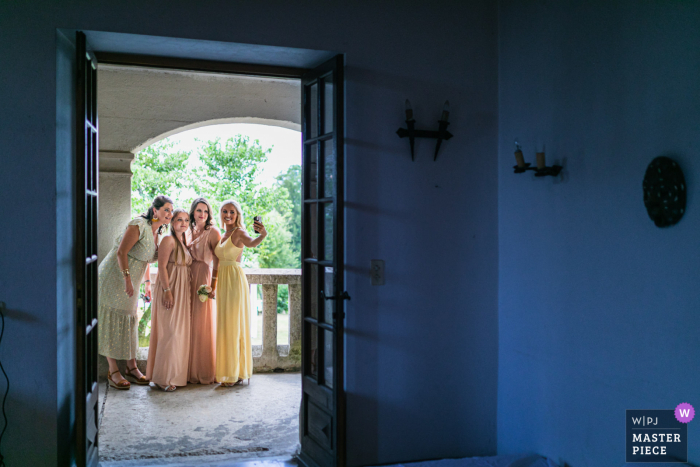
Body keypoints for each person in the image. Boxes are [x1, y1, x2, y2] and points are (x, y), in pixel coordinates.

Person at [98, 195, 174, 390]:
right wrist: (127, 279)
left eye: (171, 211)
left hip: (132, 280)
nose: (169, 214)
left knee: (130, 319)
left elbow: (144, 259)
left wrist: (147, 282)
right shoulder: (139, 224)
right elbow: (121, 252)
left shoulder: (158, 232)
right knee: (112, 319)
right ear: (154, 210)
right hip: (114, 278)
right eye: (166, 209)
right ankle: (113, 370)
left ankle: (131, 368)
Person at [214, 200, 266, 387]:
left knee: (234, 325)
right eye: (225, 211)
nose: (228, 215)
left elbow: (252, 244)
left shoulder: (239, 232)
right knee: (225, 325)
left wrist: (263, 234)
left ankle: (234, 373)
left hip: (234, 280)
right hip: (223, 282)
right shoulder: (222, 234)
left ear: (237, 215)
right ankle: (231, 371)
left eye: (232, 212)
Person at [145, 208, 193, 392]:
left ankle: (175, 375)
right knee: (169, 332)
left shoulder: (183, 241)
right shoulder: (168, 240)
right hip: (170, 288)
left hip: (183, 291)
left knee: (178, 333)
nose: (183, 223)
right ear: (172, 222)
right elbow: (162, 267)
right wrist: (167, 291)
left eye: (186, 220)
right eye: (179, 219)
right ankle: (162, 378)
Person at [186, 197, 220, 384]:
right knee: (188, 321)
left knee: (201, 321)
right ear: (193, 212)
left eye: (206, 211)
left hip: (203, 277)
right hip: (187, 277)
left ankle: (202, 370)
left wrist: (213, 286)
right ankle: (187, 368)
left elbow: (217, 259)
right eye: (199, 210)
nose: (202, 214)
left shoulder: (212, 231)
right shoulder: (188, 229)